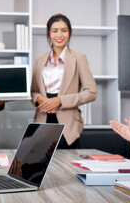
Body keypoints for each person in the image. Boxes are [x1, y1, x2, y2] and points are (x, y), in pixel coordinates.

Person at [31, 13, 97, 149]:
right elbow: (33, 91)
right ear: (49, 33)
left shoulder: (79, 57)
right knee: (41, 165)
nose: (59, 35)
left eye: (64, 30)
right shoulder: (40, 60)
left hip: (68, 124)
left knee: (65, 166)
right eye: (55, 31)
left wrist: (60, 100)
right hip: (43, 119)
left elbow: (91, 92)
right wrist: (39, 98)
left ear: (70, 33)